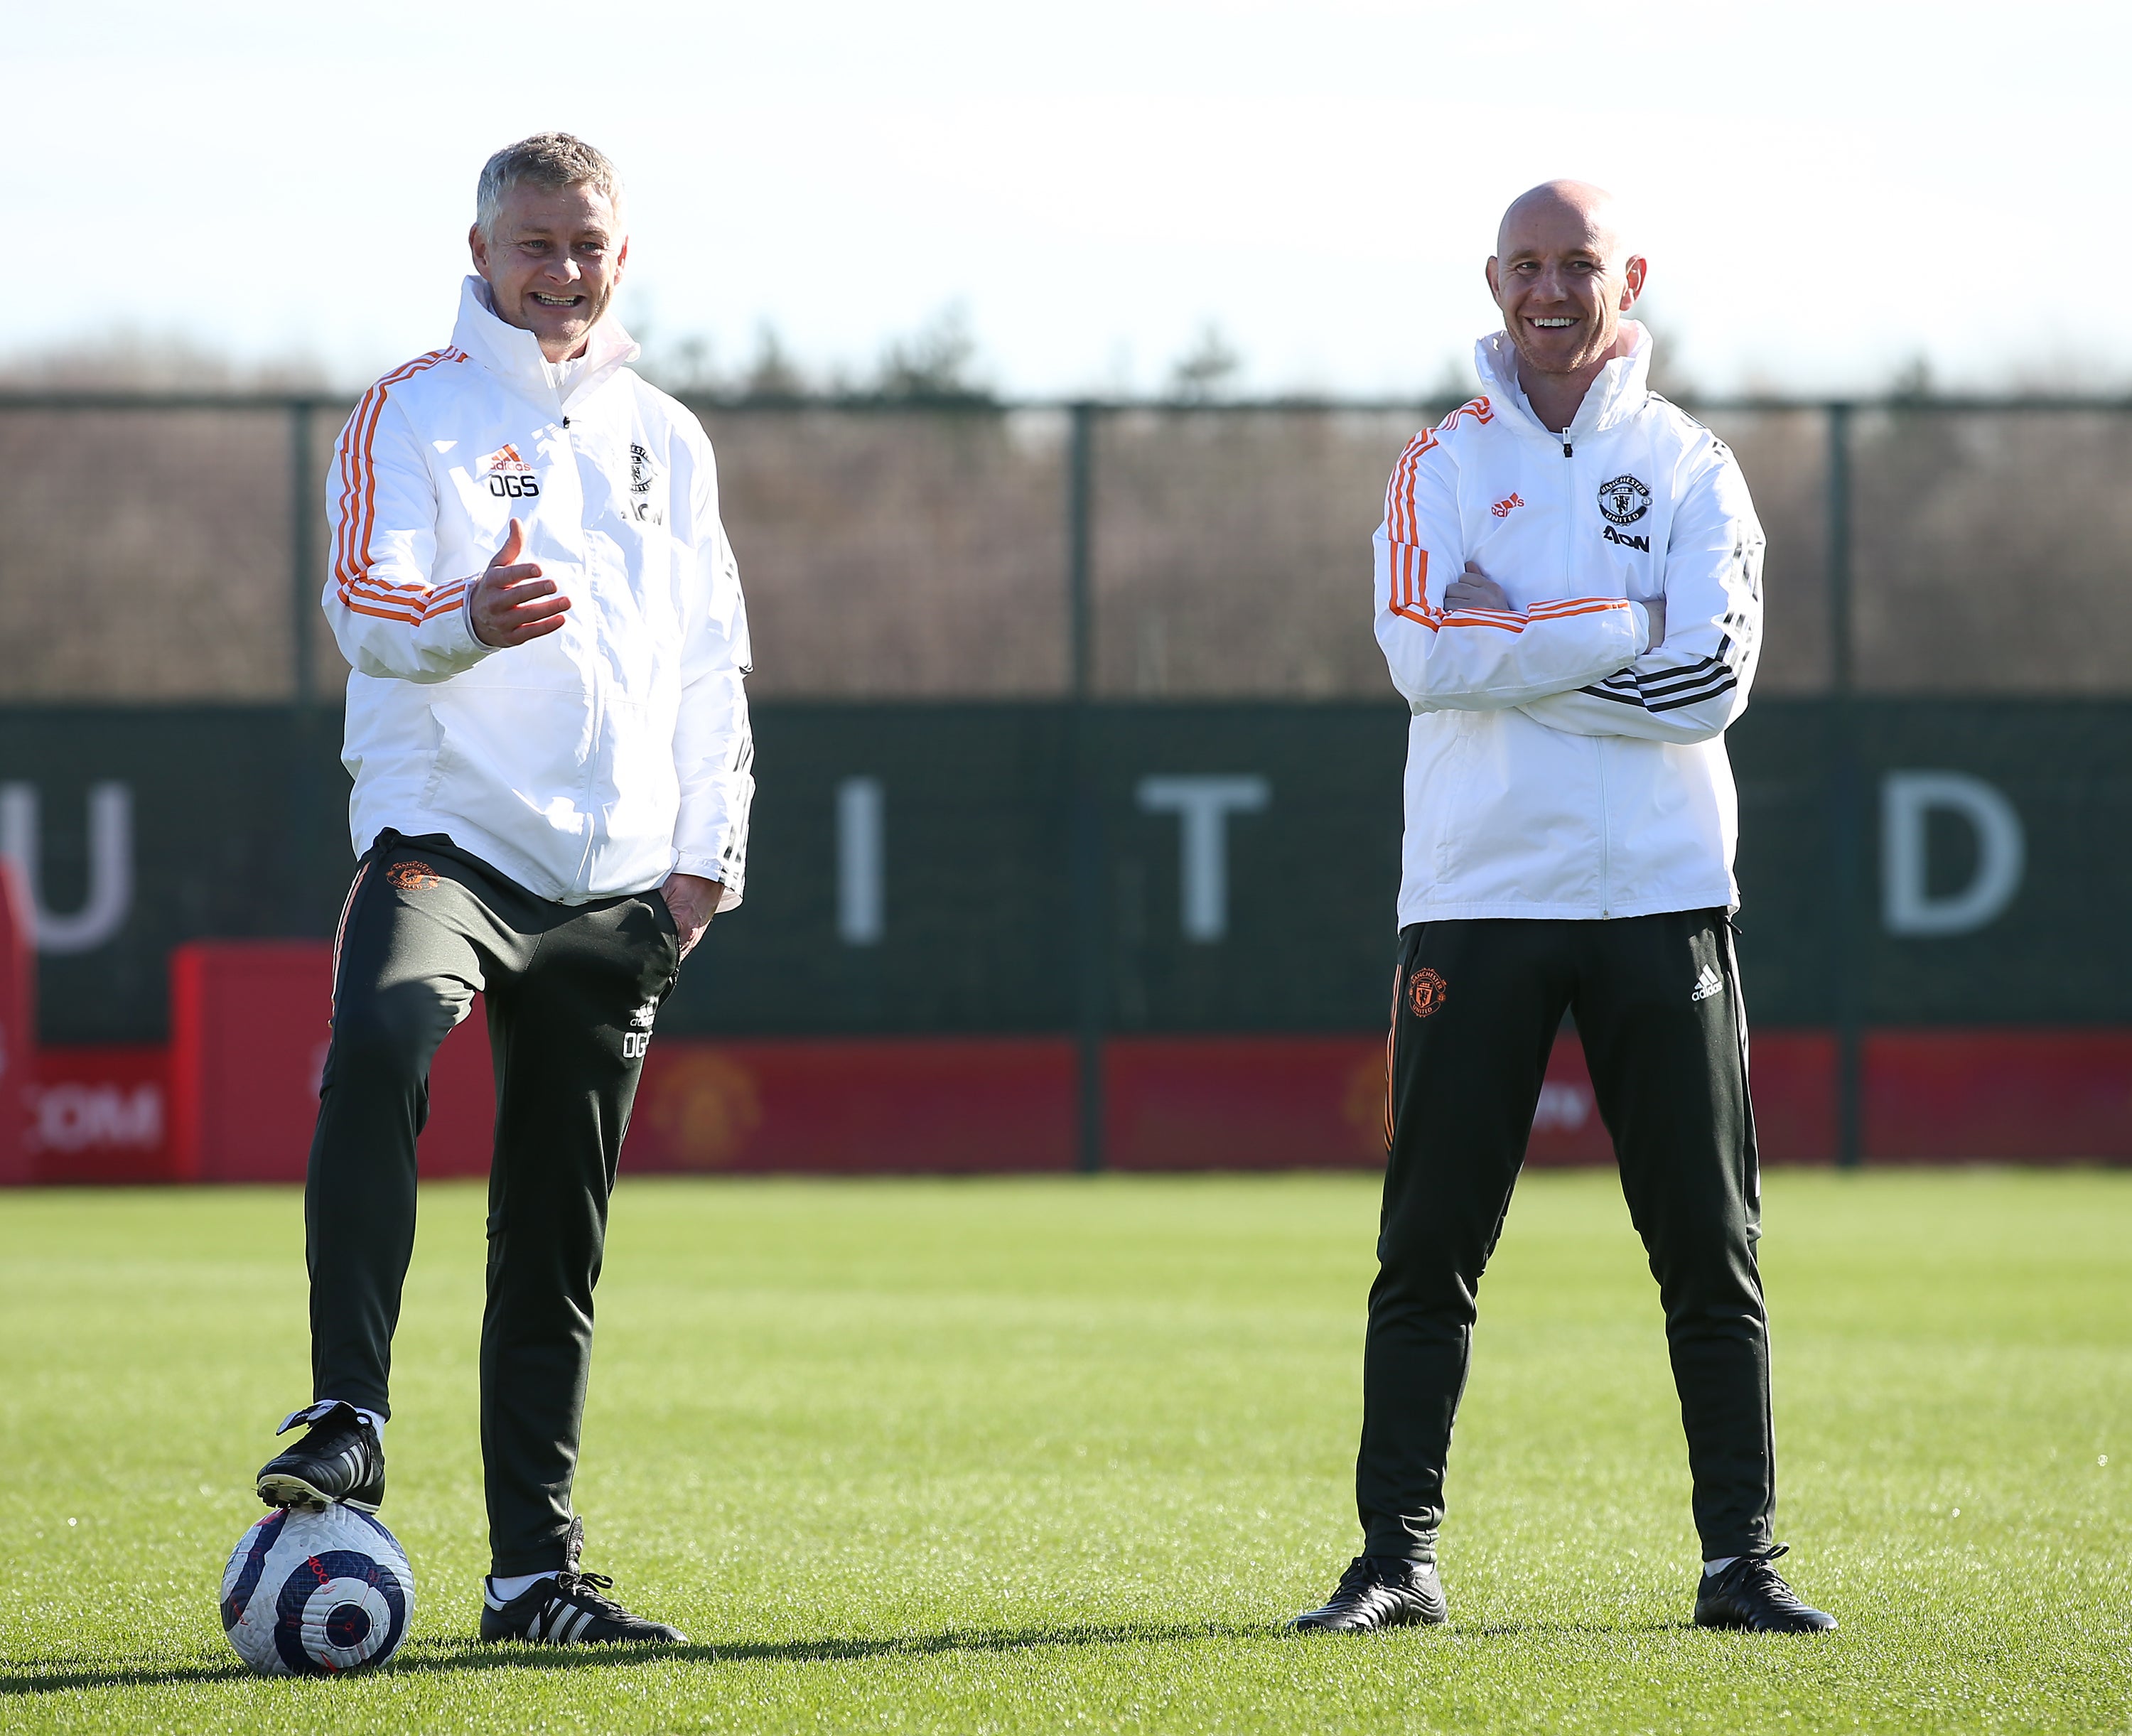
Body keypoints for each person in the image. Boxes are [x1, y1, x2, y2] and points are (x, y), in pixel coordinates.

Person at [1291, 181, 1834, 1636]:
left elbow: (1712, 680)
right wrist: (1616, 621)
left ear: (1626, 276)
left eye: (1576, 264)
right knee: (1430, 1247)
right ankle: (1396, 1562)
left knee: (1708, 1246)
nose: (1548, 292)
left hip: (1665, 897)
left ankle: (1742, 1563)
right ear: (1491, 280)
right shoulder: (1440, 468)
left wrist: (1515, 635)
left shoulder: (1698, 467)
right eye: (1525, 266)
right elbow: (1422, 652)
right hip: (1480, 898)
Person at [252, 133, 754, 1648]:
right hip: (449, 840)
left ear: (622, 253)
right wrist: (466, 614)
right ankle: (348, 1406)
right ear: (477, 255)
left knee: (556, 1229)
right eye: (531, 244)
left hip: (616, 888)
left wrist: (704, 855)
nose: (561, 271)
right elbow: (361, 598)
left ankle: (534, 1577)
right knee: (388, 1033)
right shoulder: (416, 408)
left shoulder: (670, 432)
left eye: (586, 244)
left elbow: (713, 657)